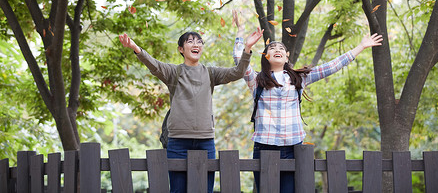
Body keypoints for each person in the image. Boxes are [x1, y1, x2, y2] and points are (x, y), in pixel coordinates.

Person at [232, 11, 383, 193]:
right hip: (264, 146)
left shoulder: (299, 79)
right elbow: (240, 63)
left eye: (281, 48)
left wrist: (361, 47)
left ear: (287, 56)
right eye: (272, 48)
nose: (277, 50)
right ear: (266, 57)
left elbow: (332, 66)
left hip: (293, 147)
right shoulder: (257, 80)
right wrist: (243, 39)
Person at [119, 29, 263, 193]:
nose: (196, 44)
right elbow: (155, 65)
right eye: (190, 41)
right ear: (181, 49)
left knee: (204, 190)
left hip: (205, 140)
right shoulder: (174, 72)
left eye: (199, 41)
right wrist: (136, 48)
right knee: (178, 190)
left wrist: (247, 49)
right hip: (178, 141)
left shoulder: (210, 73)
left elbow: (237, 72)